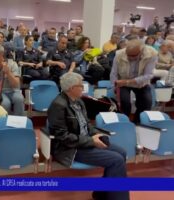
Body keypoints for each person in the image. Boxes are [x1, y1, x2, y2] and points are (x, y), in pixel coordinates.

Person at [48, 72, 129, 200]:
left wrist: (96, 134)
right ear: (71, 88)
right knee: (116, 160)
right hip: (71, 148)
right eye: (81, 85)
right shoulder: (58, 105)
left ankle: (102, 193)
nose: (83, 87)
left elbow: (86, 125)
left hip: (85, 141)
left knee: (122, 153)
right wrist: (91, 141)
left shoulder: (79, 101)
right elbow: (62, 137)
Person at [110, 39, 157, 123]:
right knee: (124, 103)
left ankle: (138, 123)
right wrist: (114, 87)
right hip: (122, 82)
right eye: (128, 55)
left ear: (141, 51)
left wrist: (128, 82)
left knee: (147, 102)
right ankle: (124, 123)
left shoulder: (152, 54)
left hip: (141, 83)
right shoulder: (119, 54)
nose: (130, 57)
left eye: (133, 56)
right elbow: (114, 73)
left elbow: (148, 75)